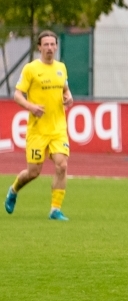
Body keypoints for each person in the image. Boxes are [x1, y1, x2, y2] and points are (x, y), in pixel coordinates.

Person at [5, 30, 73, 221]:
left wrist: (69, 96)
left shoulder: (61, 68)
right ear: (39, 47)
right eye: (46, 45)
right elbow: (17, 94)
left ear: (56, 47)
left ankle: (55, 210)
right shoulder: (31, 69)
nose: (50, 48)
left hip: (58, 128)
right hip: (37, 131)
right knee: (33, 172)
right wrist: (31, 106)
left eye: (53, 44)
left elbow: (65, 89)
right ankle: (14, 190)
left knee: (62, 165)